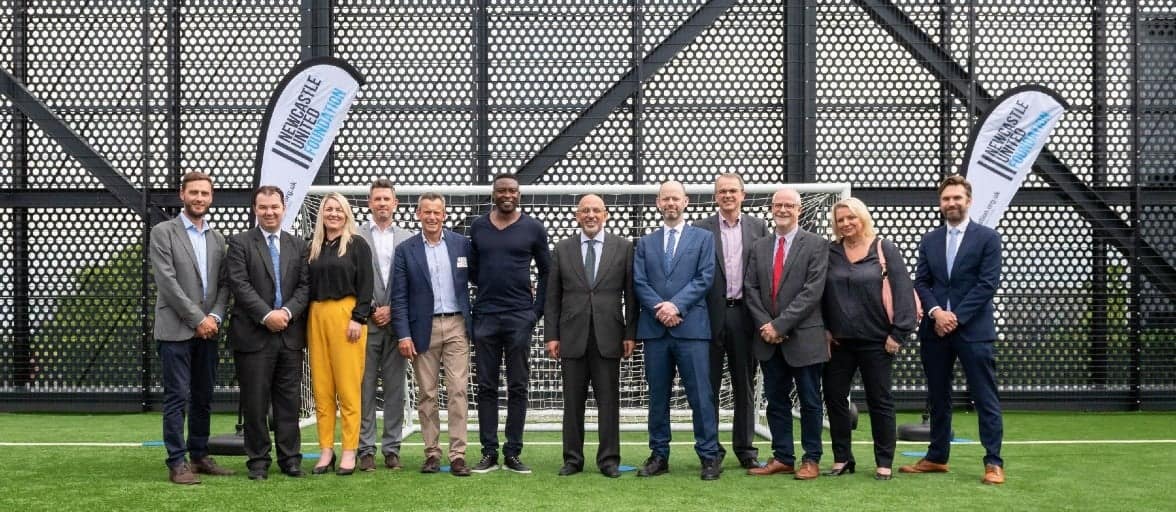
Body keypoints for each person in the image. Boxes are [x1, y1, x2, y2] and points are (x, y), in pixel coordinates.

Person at [900, 175, 1006, 485]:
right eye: (946, 199)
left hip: (973, 331)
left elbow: (987, 284)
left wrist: (955, 317)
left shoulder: (988, 238)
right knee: (938, 396)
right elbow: (922, 282)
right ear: (940, 203)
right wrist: (936, 313)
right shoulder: (929, 240)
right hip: (935, 331)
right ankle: (937, 457)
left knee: (985, 397)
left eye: (957, 198)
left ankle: (993, 462)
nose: (951, 203)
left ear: (968, 201)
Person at [633, 180, 722, 481]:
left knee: (700, 396)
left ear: (686, 202)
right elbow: (639, 282)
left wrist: (676, 306)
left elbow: (705, 277)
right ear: (658, 203)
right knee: (657, 397)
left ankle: (709, 456)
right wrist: (661, 309)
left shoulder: (703, 238)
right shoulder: (645, 243)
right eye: (665, 199)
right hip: (656, 331)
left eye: (676, 198)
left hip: (691, 329)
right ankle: (659, 455)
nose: (671, 203)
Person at [821, 197, 915, 481]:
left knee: (880, 401)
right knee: (834, 399)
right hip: (839, 343)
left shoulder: (884, 249)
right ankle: (842, 458)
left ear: (862, 217)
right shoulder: (830, 252)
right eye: (840, 220)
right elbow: (820, 293)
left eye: (851, 217)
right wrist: (825, 329)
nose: (846, 223)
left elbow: (903, 291)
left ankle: (884, 461)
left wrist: (898, 333)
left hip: (877, 341)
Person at [544, 194, 637, 478]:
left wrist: (630, 333)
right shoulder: (562, 249)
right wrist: (551, 335)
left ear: (605, 215)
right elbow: (552, 297)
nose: (591, 215)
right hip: (571, 337)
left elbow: (632, 295)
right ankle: (572, 459)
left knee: (608, 402)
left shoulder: (624, 247)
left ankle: (609, 459)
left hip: (610, 336)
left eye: (596, 210)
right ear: (577, 216)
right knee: (572, 403)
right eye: (585, 211)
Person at [149, 171, 233, 484]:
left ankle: (199, 455)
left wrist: (215, 318)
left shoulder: (217, 239)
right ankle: (177, 462)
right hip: (176, 331)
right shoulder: (163, 232)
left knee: (203, 396)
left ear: (211, 198)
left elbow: (224, 284)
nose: (199, 198)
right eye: (194, 192)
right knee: (176, 397)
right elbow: (167, 282)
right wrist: (198, 319)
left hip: (209, 330)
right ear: (182, 194)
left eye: (204, 193)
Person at [224, 185, 311, 480]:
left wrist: (285, 313)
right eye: (263, 207)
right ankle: (258, 461)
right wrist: (266, 315)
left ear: (283, 208)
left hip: (290, 335)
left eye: (274, 207)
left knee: (289, 403)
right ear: (255, 210)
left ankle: (290, 460)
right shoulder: (239, 243)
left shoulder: (298, 245)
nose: (269, 212)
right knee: (255, 403)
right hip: (253, 336)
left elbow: (305, 287)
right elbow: (239, 284)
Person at [468, 173, 551, 474]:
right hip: (486, 317)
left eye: (512, 190)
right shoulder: (478, 227)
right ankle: (489, 452)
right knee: (486, 386)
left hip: (519, 318)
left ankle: (513, 452)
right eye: (501, 190)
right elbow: (472, 271)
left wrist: (535, 312)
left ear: (519, 194)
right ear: (493, 194)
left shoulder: (533, 228)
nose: (507, 195)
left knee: (517, 386)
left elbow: (547, 271)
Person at [744, 187, 828, 480]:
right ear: (771, 208)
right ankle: (782, 457)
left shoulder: (816, 245)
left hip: (804, 339)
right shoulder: (759, 246)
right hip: (768, 340)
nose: (782, 209)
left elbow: (812, 292)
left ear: (799, 210)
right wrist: (766, 325)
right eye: (777, 204)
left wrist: (780, 325)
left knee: (810, 401)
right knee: (775, 400)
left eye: (789, 205)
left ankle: (811, 459)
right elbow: (750, 288)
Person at [391, 192, 475, 477]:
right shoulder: (406, 250)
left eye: (436, 212)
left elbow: (481, 276)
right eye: (426, 212)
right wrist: (403, 335)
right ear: (418, 214)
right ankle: (432, 453)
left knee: (458, 390)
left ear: (444, 215)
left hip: (456, 325)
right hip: (421, 328)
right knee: (427, 393)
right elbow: (399, 296)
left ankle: (458, 455)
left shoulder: (462, 244)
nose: (431, 217)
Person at [693, 173, 768, 470]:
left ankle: (745, 449)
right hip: (709, 317)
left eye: (732, 191)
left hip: (744, 315)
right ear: (715, 196)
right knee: (708, 386)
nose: (727, 195)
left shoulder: (758, 227)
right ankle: (711, 449)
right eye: (722, 191)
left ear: (742, 195)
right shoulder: (700, 229)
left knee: (744, 385)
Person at [306, 192, 374, 476]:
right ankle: (326, 449)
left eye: (338, 209)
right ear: (321, 213)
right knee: (322, 389)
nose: (333, 213)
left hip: (346, 316)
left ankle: (349, 450)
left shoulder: (357, 245)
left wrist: (358, 317)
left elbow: (366, 284)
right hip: (316, 316)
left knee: (347, 388)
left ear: (346, 214)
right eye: (328, 209)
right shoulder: (313, 246)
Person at [356, 179, 414, 471]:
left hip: (396, 324)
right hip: (364, 324)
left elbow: (413, 281)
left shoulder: (408, 237)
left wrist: (393, 310)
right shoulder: (354, 235)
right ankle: (365, 449)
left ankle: (392, 449)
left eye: (386, 199)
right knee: (363, 388)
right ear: (369, 203)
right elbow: (351, 277)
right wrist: (370, 309)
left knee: (395, 390)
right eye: (377, 199)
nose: (381, 203)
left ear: (395, 204)